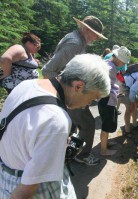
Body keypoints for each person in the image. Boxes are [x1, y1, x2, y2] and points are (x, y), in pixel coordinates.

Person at [0, 54, 111, 198]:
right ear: (78, 86)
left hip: (6, 176)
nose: (88, 104)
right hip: (33, 187)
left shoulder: (26, 85)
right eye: (92, 98)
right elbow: (23, 193)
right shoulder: (56, 120)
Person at [41, 16, 107, 165]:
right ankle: (82, 155)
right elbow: (48, 71)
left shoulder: (77, 39)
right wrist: (66, 94)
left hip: (71, 90)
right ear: (85, 29)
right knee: (88, 123)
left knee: (72, 124)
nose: (96, 38)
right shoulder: (75, 43)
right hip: (69, 93)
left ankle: (66, 152)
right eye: (95, 34)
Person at [97, 46, 131, 156]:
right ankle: (103, 150)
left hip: (106, 97)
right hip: (106, 98)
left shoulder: (109, 64)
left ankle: (105, 143)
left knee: (108, 120)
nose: (123, 65)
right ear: (118, 59)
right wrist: (114, 91)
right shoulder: (110, 68)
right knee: (106, 124)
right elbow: (104, 85)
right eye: (123, 62)